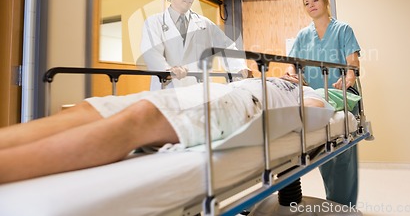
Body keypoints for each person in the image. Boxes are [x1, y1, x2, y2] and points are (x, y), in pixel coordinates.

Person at [0, 75, 327, 184]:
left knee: (140, 118)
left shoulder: (310, 91)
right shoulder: (262, 74)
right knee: (95, 108)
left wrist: (304, 94)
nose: (291, 73)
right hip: (213, 88)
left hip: (245, 103)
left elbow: (309, 116)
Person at [287, 0, 361, 207]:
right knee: (323, 156)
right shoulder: (303, 35)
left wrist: (348, 77)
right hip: (314, 98)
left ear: (325, 0)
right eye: (306, 3)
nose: (311, 5)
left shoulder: (343, 29)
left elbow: (353, 63)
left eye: (314, 0)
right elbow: (293, 64)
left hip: (339, 96)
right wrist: (292, 75)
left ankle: (345, 205)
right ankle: (334, 203)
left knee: (343, 159)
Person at [140, 0, 250, 90]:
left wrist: (240, 68)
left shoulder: (205, 24)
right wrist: (167, 70)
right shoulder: (154, 22)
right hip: (168, 90)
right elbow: (152, 53)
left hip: (199, 91)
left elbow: (227, 47)